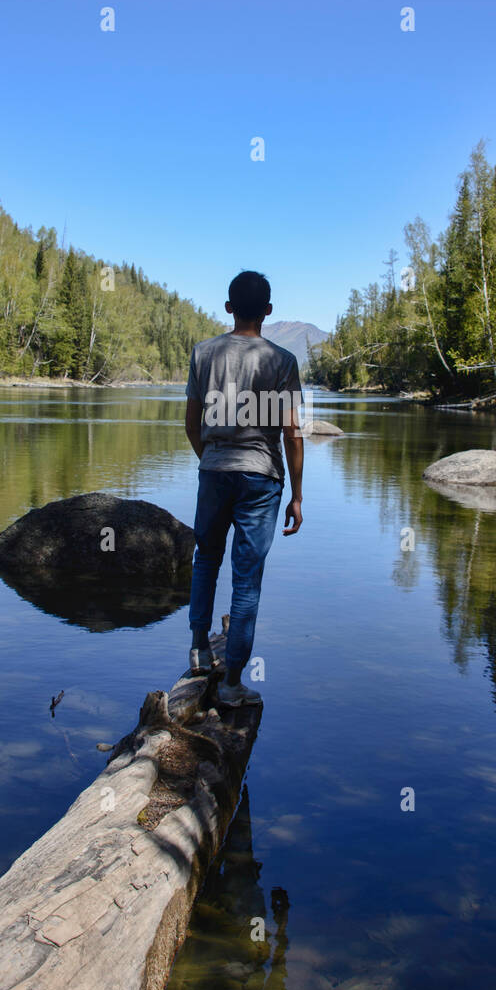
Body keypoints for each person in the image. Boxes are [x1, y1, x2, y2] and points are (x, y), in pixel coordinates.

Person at [184, 270, 304, 707]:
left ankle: (199, 650)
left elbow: (191, 425)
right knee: (246, 581)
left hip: (215, 471)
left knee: (206, 561)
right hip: (262, 476)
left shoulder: (203, 353)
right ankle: (232, 683)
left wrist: (212, 460)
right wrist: (297, 494)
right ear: (268, 312)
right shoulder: (283, 361)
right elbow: (292, 433)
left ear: (229, 307)